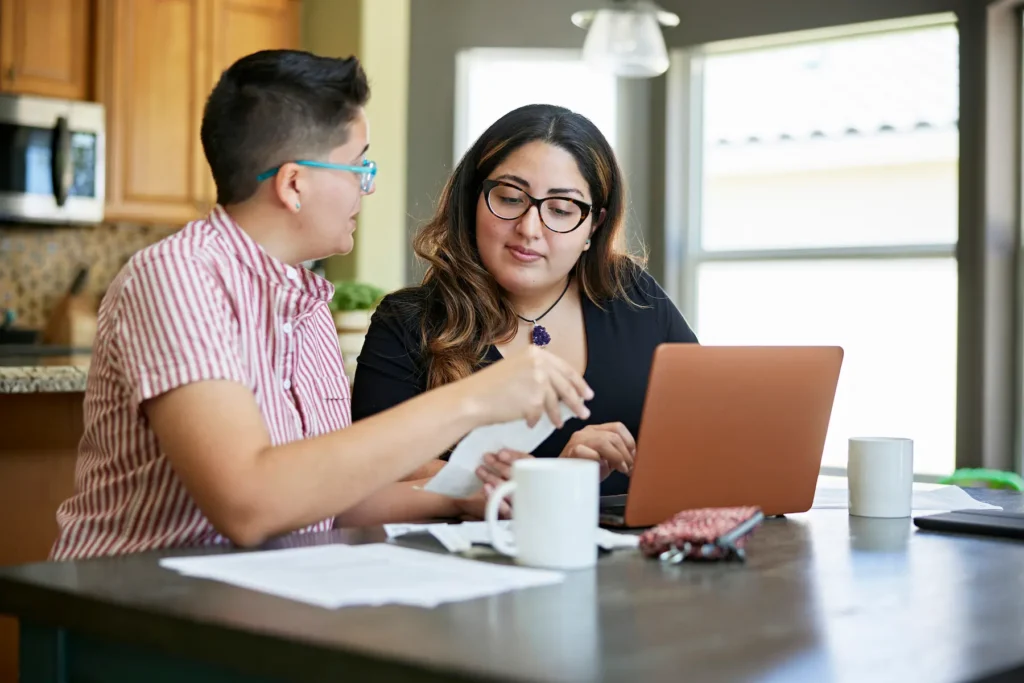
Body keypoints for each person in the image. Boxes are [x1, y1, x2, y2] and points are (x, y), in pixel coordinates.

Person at [50, 53, 592, 561]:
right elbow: (248, 505)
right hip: (143, 614)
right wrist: (475, 400)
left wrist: (465, 492)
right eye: (359, 169)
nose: (368, 187)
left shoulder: (304, 304)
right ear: (294, 185)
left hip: (271, 603)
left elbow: (328, 500)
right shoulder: (178, 279)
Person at [352, 104, 698, 497]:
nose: (529, 229)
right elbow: (370, 473)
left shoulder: (633, 294)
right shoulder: (408, 321)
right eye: (510, 198)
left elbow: (706, 423)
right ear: (473, 201)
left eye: (561, 209)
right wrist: (547, 479)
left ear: (593, 226)